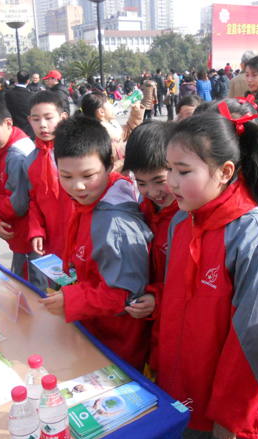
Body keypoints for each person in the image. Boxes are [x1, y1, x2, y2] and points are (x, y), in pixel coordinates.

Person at [146, 102, 258, 439]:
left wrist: (233, 413)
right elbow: (174, 307)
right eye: (169, 170)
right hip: (185, 393)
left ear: (226, 172)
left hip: (233, 414)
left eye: (183, 171)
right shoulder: (182, 222)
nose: (170, 182)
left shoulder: (256, 239)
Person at [38, 116, 153, 370]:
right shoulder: (91, 198)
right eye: (66, 176)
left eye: (88, 175)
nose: (77, 186)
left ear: (110, 163)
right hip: (94, 328)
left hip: (116, 345)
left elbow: (125, 294)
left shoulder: (116, 223)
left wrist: (72, 300)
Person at [122, 121, 178, 374]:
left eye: (159, 180)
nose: (152, 191)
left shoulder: (187, 216)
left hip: (173, 322)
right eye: (141, 183)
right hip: (148, 320)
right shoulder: (143, 207)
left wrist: (159, 296)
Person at [0, 100, 47, 289]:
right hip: (28, 231)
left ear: (8, 123)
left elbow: (18, 204)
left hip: (26, 232)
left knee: (29, 284)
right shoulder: (15, 142)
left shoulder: (15, 155)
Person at [26, 91, 72, 262]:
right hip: (54, 239)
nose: (42, 125)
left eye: (48, 118)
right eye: (36, 119)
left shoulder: (77, 152)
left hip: (83, 235)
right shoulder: (31, 161)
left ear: (63, 117)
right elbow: (34, 200)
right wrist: (36, 231)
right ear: (29, 121)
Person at [79, 90, 144, 172]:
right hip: (113, 179)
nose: (113, 105)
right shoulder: (95, 138)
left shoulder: (112, 128)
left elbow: (130, 131)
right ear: (101, 112)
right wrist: (128, 161)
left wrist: (136, 107)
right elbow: (103, 170)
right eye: (109, 102)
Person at [4, 70, 35, 139]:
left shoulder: (8, 93)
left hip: (13, 130)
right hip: (28, 130)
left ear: (17, 79)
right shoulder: (31, 95)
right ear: (28, 81)